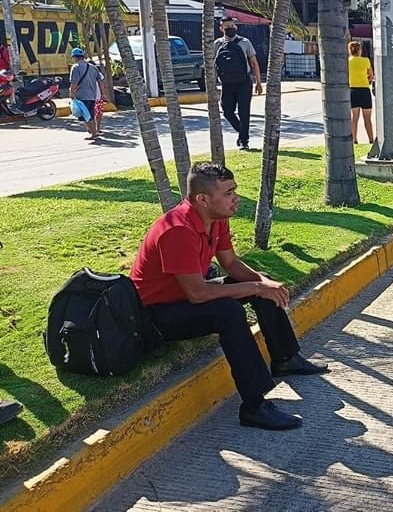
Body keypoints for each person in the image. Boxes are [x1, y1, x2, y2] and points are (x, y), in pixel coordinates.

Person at [130, 163, 328, 431]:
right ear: (202, 199)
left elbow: (231, 264)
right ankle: (254, 406)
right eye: (228, 193)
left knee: (259, 282)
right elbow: (198, 294)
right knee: (228, 311)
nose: (236, 198)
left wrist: (263, 283)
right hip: (156, 316)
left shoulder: (216, 219)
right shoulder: (177, 229)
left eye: (234, 190)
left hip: (185, 297)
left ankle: (285, 359)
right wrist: (256, 287)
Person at [214, 17, 262, 150]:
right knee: (227, 112)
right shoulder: (217, 44)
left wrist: (258, 82)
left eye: (232, 25)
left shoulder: (245, 42)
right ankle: (242, 132)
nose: (230, 28)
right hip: (227, 83)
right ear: (221, 29)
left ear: (236, 27)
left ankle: (243, 141)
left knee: (244, 112)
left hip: (243, 83)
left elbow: (254, 63)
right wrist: (213, 83)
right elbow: (213, 64)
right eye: (227, 26)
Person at [68, 47, 103, 141]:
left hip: (82, 95)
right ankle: (94, 132)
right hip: (92, 95)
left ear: (75, 57)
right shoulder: (93, 67)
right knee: (90, 115)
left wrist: (71, 93)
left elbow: (74, 82)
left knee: (85, 116)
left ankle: (94, 133)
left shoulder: (76, 67)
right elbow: (100, 81)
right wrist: (102, 93)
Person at [347, 41, 374, 145]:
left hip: (353, 90)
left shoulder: (348, 61)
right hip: (364, 90)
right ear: (359, 50)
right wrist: (366, 79)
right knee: (367, 118)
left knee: (354, 118)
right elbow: (371, 76)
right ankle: (371, 139)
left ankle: (354, 139)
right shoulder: (365, 61)